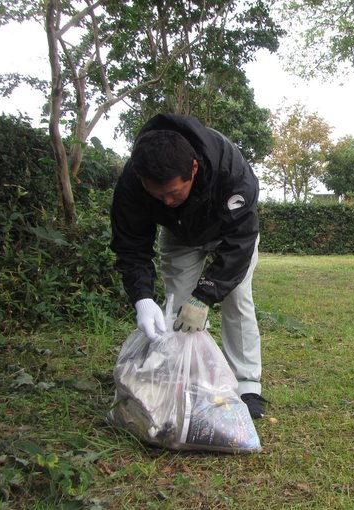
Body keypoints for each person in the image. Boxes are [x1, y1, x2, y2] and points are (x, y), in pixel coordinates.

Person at [110, 113, 267, 419]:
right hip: (179, 234)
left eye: (173, 192)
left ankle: (247, 385)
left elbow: (240, 244)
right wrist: (142, 297)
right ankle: (189, 380)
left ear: (193, 168)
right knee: (180, 307)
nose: (166, 201)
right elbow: (130, 244)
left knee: (238, 298)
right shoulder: (133, 181)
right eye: (157, 195)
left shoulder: (231, 172)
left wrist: (206, 295)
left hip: (229, 233)